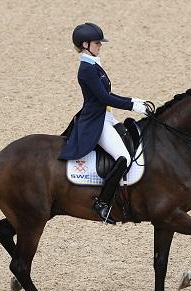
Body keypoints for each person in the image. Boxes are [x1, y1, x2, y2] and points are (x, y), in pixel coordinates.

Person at [59, 22, 147, 224]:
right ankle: (103, 203)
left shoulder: (94, 64)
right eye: (97, 43)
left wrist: (132, 99)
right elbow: (104, 98)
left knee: (132, 141)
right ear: (85, 44)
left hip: (106, 117)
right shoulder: (87, 69)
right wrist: (131, 105)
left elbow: (107, 95)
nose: (100, 45)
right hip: (96, 121)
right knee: (123, 157)